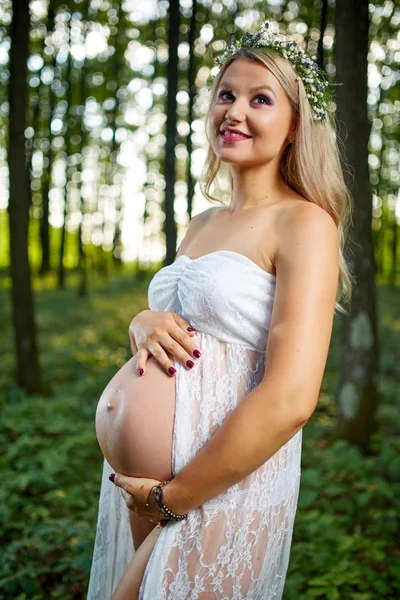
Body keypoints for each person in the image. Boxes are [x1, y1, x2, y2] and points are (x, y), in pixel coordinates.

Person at [87, 21, 354, 599]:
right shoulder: (202, 223)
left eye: (261, 99)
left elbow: (291, 397)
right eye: (226, 94)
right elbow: (183, 329)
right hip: (143, 482)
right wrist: (141, 322)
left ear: (293, 128)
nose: (234, 110)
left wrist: (175, 497)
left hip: (215, 483)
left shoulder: (304, 223)